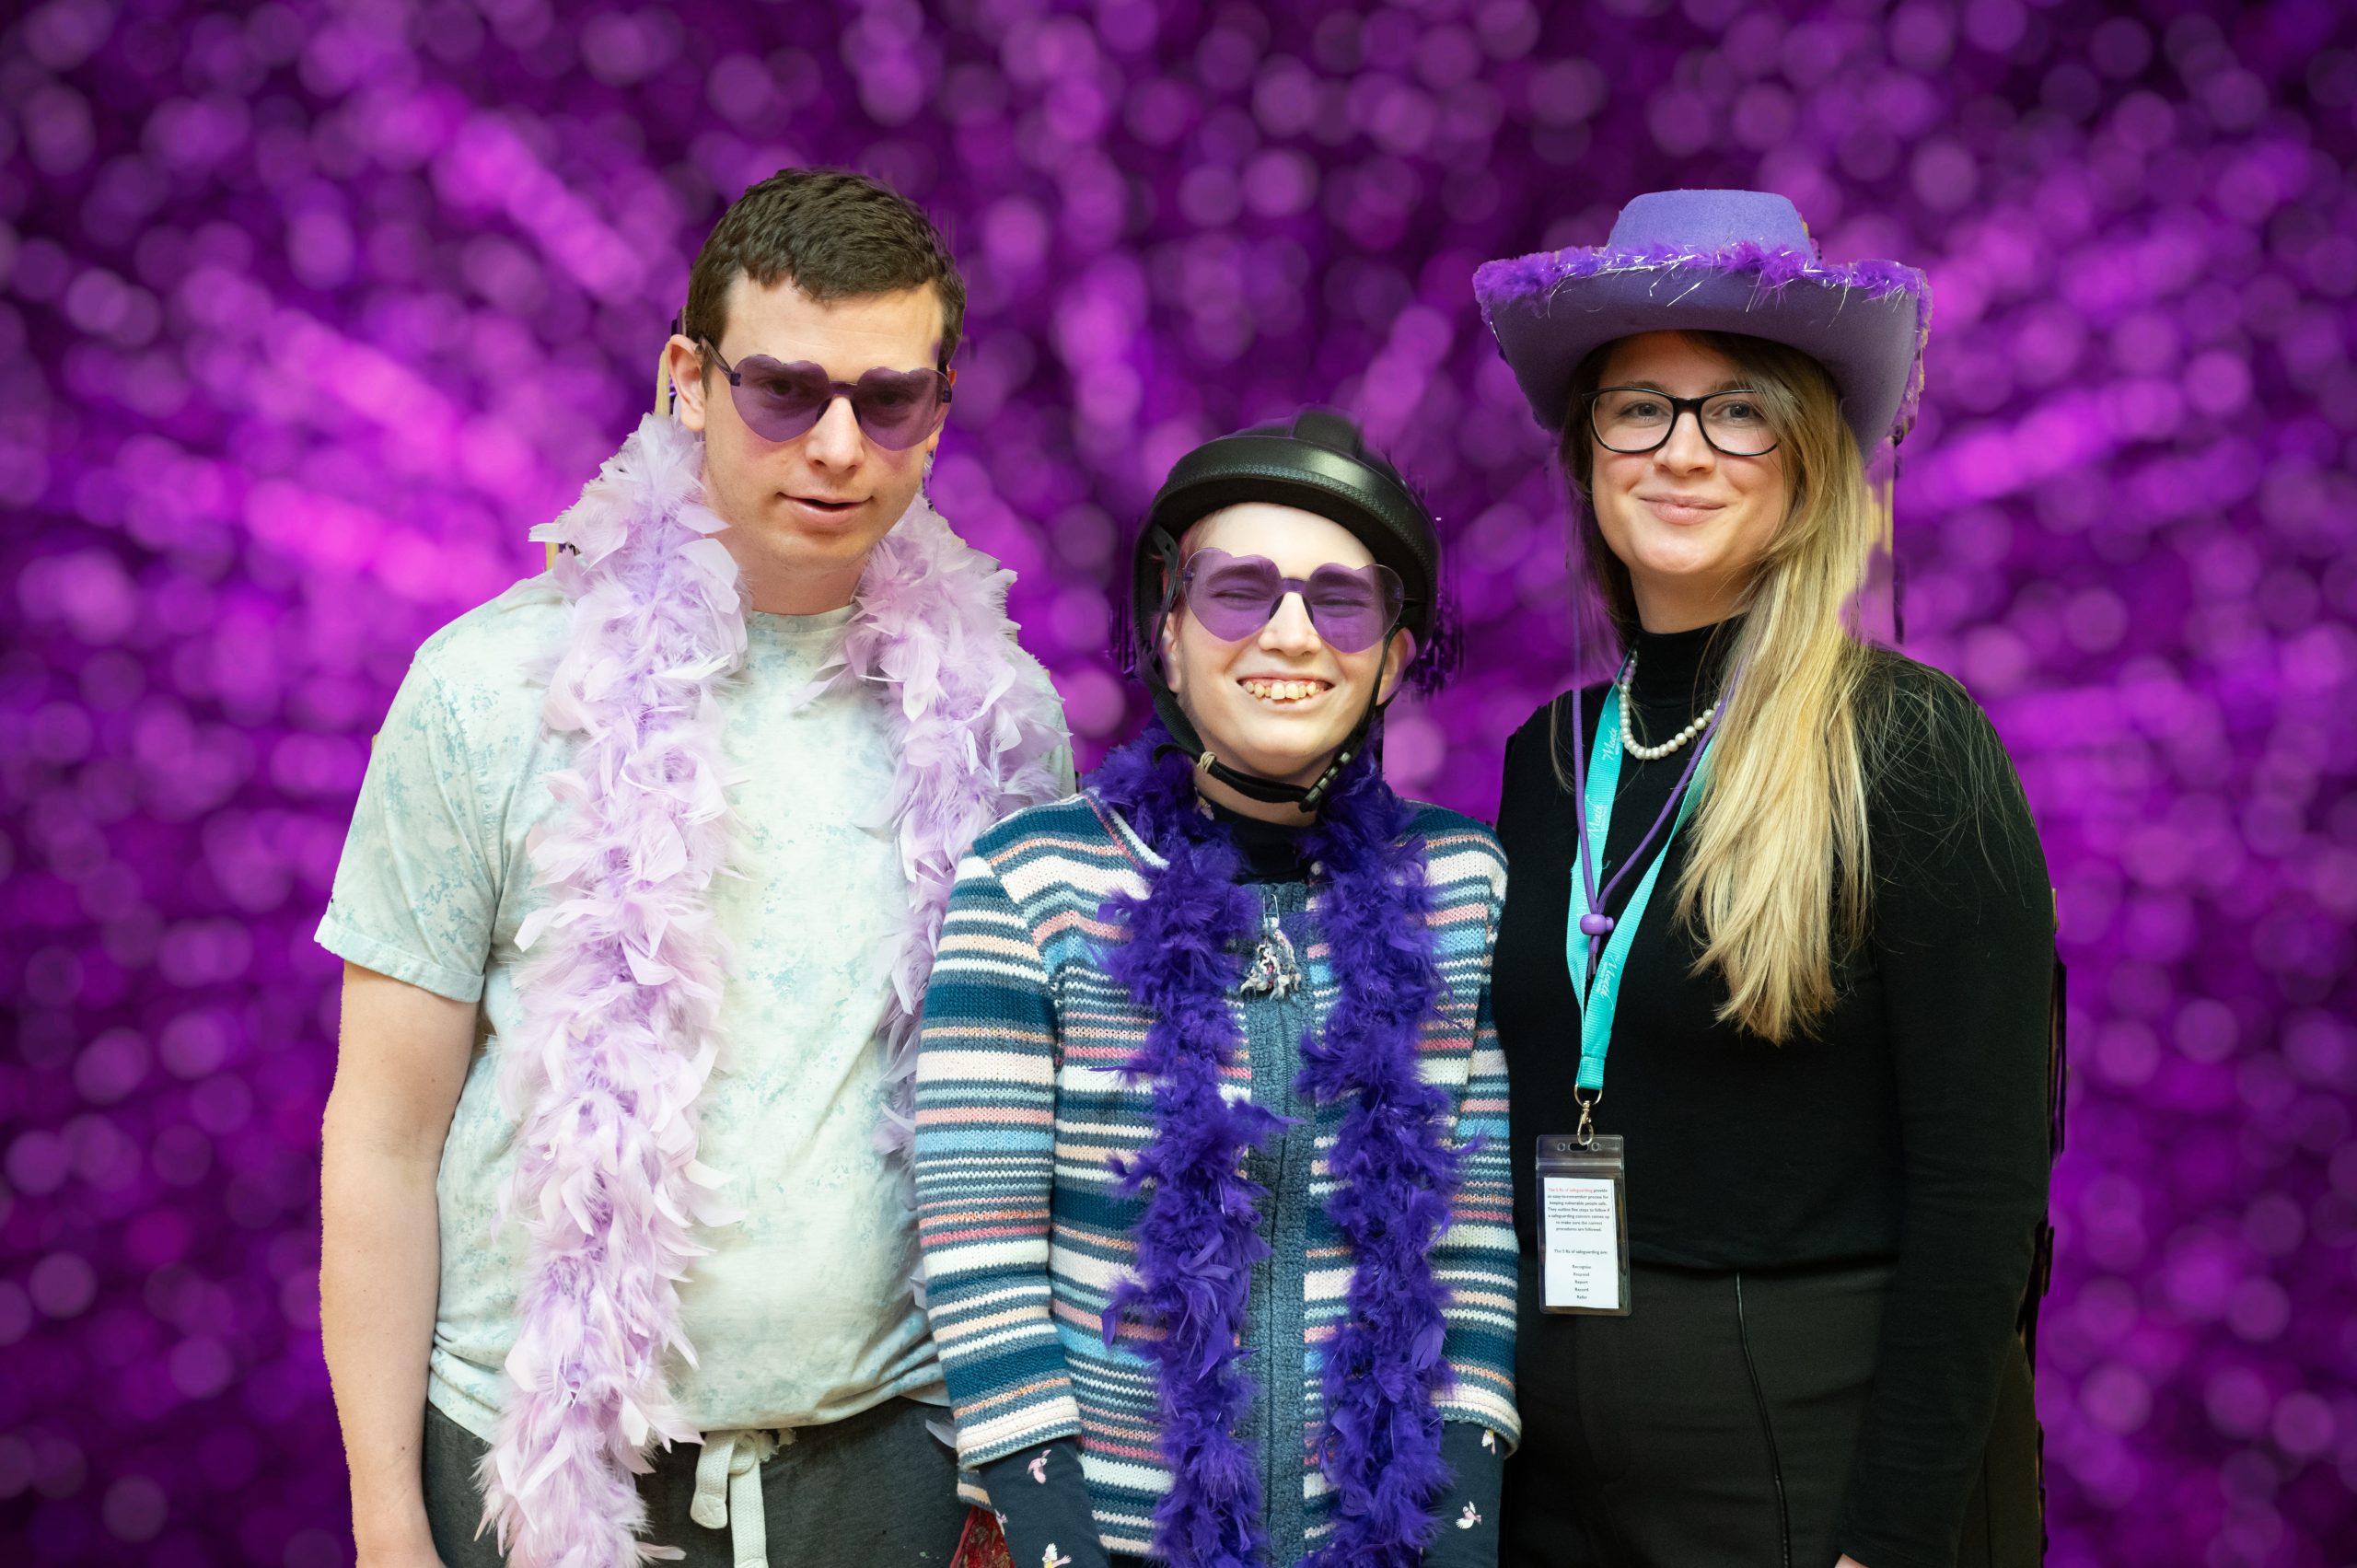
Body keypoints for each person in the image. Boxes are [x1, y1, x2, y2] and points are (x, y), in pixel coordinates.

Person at [315, 168, 1072, 1568]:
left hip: (887, 1474)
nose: (838, 445)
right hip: (533, 1474)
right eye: (785, 389)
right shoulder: (492, 686)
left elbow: (1021, 1136)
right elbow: (381, 1134)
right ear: (688, 376)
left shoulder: (1007, 721)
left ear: (939, 410)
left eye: (887, 399)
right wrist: (384, 1518)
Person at [1473, 190, 2055, 1568]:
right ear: (1586, 452)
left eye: (1737, 408)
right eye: (1639, 408)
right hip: (1552, 1457)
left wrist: (1894, 1532)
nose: (1683, 451)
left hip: (1802, 1445)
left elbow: (1984, 1194)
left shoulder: (1909, 745)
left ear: (1807, 457)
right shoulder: (1544, 758)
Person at [911, 412, 1520, 1568]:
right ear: (1171, 636)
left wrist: (1461, 1523)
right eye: (1241, 592)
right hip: (1109, 1540)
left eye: (1339, 601)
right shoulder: (1034, 880)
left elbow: (1472, 1238)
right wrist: (1056, 1541)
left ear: (1390, 656)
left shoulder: (1455, 883)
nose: (1290, 634)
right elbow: (976, 1248)